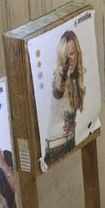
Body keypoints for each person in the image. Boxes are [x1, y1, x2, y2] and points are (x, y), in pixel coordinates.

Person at [46, 30, 87, 165]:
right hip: (56, 147)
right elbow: (57, 90)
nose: (72, 58)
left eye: (73, 53)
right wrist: (64, 76)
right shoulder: (58, 76)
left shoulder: (76, 79)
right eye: (67, 55)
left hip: (71, 140)